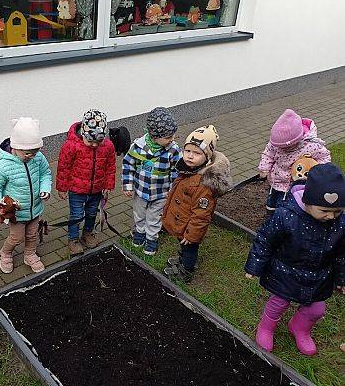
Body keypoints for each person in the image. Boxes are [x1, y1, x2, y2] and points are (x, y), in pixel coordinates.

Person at [245, 163, 345, 355]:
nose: (331, 216)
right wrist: (255, 265)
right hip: (286, 272)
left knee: (316, 310)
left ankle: (299, 328)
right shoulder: (286, 216)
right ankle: (266, 328)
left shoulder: (340, 223)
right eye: (324, 211)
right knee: (279, 303)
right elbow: (266, 239)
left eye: (337, 211)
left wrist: (341, 278)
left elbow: (342, 253)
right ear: (308, 202)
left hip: (319, 276)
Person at [162, 125, 232, 282]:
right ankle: (182, 259)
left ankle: (186, 270)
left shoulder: (203, 184)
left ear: (207, 157)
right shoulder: (188, 169)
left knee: (189, 247)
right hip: (182, 222)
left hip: (189, 227)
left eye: (197, 153)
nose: (190, 156)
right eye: (187, 151)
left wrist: (192, 234)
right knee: (183, 244)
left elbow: (201, 214)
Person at [0, 117, 52, 274]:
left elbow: (45, 173)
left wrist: (45, 188)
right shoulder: (3, 165)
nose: (32, 155)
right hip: (16, 212)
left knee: (31, 235)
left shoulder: (38, 158)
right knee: (17, 237)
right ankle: (5, 253)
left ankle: (29, 254)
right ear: (15, 147)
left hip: (35, 208)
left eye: (36, 151)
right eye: (27, 153)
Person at [56, 109, 116, 255]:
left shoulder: (107, 146)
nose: (94, 145)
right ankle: (73, 239)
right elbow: (63, 167)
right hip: (76, 190)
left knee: (91, 213)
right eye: (90, 141)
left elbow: (111, 166)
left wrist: (108, 184)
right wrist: (62, 188)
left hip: (96, 189)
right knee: (76, 215)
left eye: (98, 141)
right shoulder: (71, 146)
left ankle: (87, 233)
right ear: (83, 133)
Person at [122, 107, 181, 255]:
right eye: (168, 137)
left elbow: (176, 171)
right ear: (155, 136)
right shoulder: (137, 147)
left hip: (161, 193)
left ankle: (151, 238)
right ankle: (139, 233)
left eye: (173, 135)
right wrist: (127, 185)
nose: (172, 139)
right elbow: (128, 165)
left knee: (154, 217)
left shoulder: (173, 150)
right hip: (140, 191)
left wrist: (172, 191)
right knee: (139, 214)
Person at [258, 109, 330, 211]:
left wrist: (315, 170)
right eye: (279, 146)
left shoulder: (311, 146)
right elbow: (268, 153)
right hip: (276, 179)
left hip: (294, 183)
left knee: (288, 204)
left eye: (285, 147)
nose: (281, 149)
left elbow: (324, 157)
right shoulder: (276, 144)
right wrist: (264, 168)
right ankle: (272, 211)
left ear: (297, 140)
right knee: (272, 201)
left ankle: (284, 215)